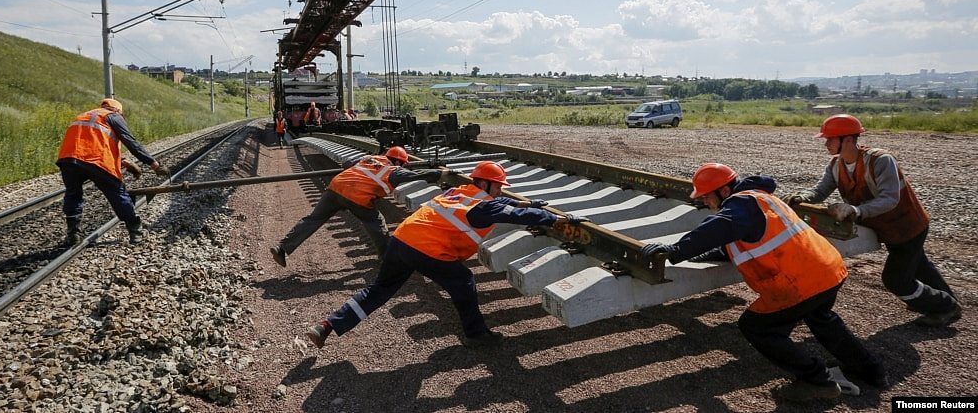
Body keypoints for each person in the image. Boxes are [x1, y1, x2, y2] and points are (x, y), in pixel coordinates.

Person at [639, 163, 886, 403]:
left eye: (706, 196)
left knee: (757, 327)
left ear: (724, 191)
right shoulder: (758, 199)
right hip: (828, 270)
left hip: (802, 282)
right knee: (821, 318)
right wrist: (699, 257)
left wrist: (674, 250)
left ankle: (817, 380)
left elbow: (715, 229)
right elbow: (734, 243)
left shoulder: (740, 206)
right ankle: (872, 370)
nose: (704, 201)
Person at [305, 161, 584, 349]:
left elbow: (501, 202)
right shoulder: (483, 206)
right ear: (485, 184)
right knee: (463, 282)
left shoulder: (460, 191)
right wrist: (553, 218)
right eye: (498, 185)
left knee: (379, 289)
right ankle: (476, 335)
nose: (501, 190)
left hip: (400, 240)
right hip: (426, 250)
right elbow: (517, 214)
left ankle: (328, 325)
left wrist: (529, 201)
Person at [786, 114, 961, 328]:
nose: (826, 144)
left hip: (907, 226)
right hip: (888, 228)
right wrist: (802, 197)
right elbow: (821, 189)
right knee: (918, 264)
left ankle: (944, 307)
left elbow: (890, 199)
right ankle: (945, 301)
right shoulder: (836, 165)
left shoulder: (880, 160)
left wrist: (856, 210)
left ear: (848, 140)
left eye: (830, 139)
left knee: (896, 279)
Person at [270, 146, 444, 264]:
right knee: (376, 223)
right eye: (403, 164)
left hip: (335, 188)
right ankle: (387, 259)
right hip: (358, 197)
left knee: (312, 220)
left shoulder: (370, 158)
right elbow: (416, 175)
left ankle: (282, 248)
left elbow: (347, 164)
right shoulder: (393, 170)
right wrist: (438, 172)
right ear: (399, 162)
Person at [56, 98, 170, 246]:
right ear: (117, 110)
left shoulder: (85, 115)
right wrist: (154, 164)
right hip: (97, 161)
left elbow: (90, 143)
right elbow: (131, 142)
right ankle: (136, 230)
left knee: (73, 194)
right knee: (117, 193)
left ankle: (73, 234)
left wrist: (125, 162)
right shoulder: (113, 116)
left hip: (68, 160)